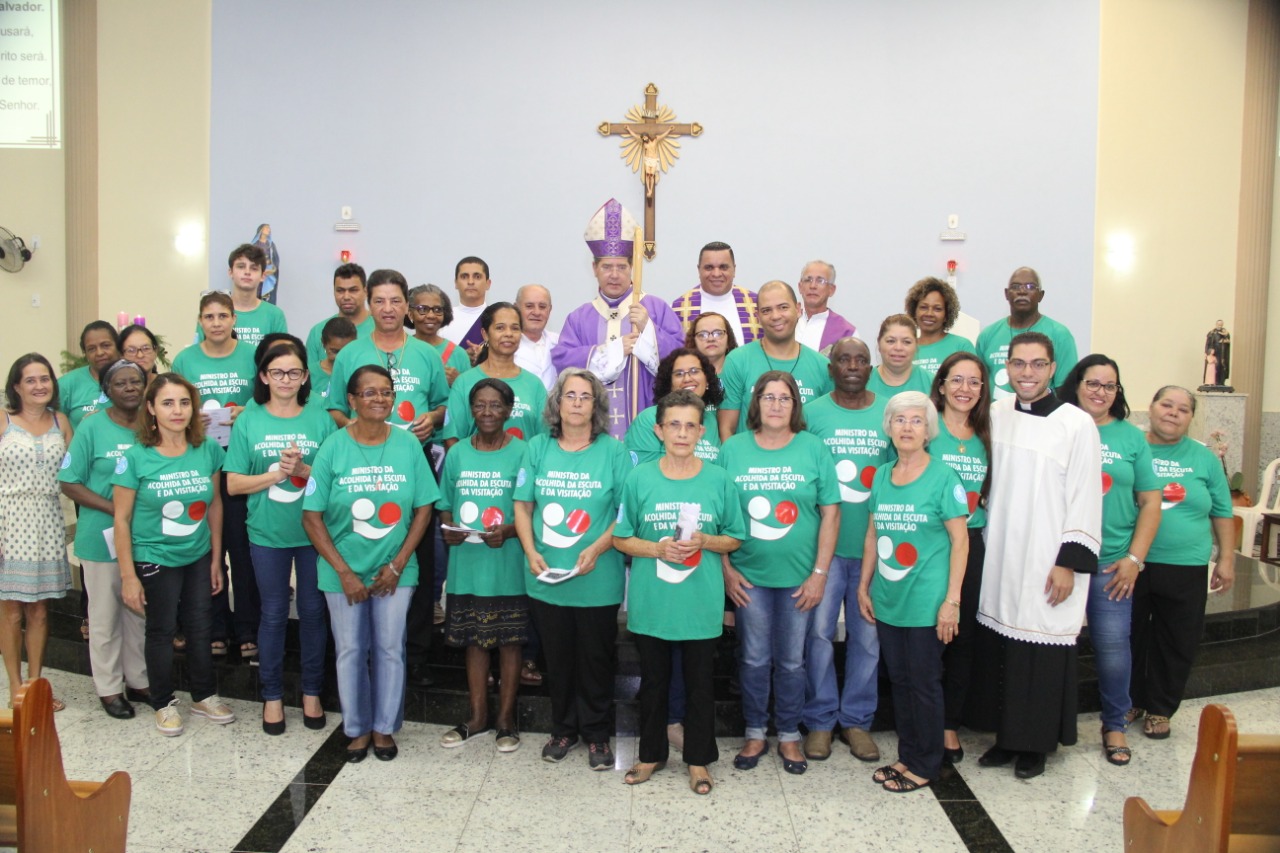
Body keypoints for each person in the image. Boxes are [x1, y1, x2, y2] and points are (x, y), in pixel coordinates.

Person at [972, 332, 1101, 780]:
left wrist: (1068, 561)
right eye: (1018, 363)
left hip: (1049, 556)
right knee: (1005, 646)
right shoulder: (997, 412)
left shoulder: (1076, 423)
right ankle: (1006, 739)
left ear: (1052, 369)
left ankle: (1036, 745)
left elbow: (1086, 497)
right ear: (1006, 367)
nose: (1027, 373)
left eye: (1037, 364)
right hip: (1005, 550)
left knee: (1041, 650)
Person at [614, 389, 746, 795]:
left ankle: (698, 760)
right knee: (653, 684)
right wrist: (655, 548)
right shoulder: (640, 478)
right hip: (653, 605)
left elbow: (736, 538)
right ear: (659, 430)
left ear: (701, 432)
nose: (682, 433)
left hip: (700, 606)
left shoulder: (719, 479)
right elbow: (621, 538)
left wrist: (706, 540)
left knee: (699, 686)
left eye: (690, 425)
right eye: (674, 424)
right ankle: (651, 754)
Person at [303, 365, 437, 762]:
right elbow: (311, 516)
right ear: (352, 400)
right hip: (340, 570)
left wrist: (397, 565)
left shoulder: (408, 445)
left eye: (387, 392)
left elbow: (424, 507)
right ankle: (357, 728)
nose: (380, 399)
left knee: (390, 648)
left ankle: (384, 728)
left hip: (396, 568)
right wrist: (345, 573)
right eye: (370, 393)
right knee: (349, 649)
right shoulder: (332, 447)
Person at [719, 371, 839, 775]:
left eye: (784, 398)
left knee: (791, 662)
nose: (775, 405)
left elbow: (831, 513)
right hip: (748, 577)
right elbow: (717, 515)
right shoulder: (733, 449)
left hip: (799, 580)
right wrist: (726, 571)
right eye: (768, 397)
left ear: (795, 405)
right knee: (753, 658)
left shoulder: (813, 448)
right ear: (756, 404)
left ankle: (788, 735)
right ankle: (755, 732)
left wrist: (820, 572)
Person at [514, 368, 633, 769]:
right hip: (547, 576)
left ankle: (598, 736)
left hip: (597, 577)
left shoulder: (614, 452)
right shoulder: (536, 448)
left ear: (596, 405)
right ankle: (563, 730)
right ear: (558, 403)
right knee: (557, 659)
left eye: (586, 396)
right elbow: (523, 504)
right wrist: (530, 551)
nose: (578, 403)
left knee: (597, 660)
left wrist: (599, 548)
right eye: (571, 395)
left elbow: (626, 512)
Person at [857, 391, 969, 793]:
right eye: (900, 420)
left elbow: (961, 543)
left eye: (916, 421)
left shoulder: (943, 477)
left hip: (927, 603)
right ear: (888, 427)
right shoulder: (884, 475)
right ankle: (908, 755)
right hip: (889, 600)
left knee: (924, 683)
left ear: (928, 430)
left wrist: (951, 601)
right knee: (901, 682)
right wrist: (863, 585)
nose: (907, 427)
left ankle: (926, 763)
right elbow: (872, 534)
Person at [113, 373, 234, 736]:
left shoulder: (208, 450)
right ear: (151, 408)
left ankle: (203, 694)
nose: (177, 410)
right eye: (167, 403)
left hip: (197, 554)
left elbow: (214, 508)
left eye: (184, 402)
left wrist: (215, 559)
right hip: (154, 556)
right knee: (162, 629)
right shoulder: (135, 458)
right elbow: (121, 519)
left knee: (200, 626)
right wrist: (128, 576)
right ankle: (163, 702)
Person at [225, 339, 334, 735]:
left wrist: (302, 467)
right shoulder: (249, 421)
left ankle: (311, 692)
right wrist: (277, 475)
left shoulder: (320, 418)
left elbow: (330, 482)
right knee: (271, 614)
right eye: (277, 372)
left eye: (293, 372)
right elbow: (234, 484)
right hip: (266, 534)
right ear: (263, 376)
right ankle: (271, 696)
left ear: (305, 376)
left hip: (312, 535)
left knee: (312, 612)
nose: (285, 379)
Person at [1058, 355, 1160, 764]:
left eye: (1110, 386)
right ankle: (1052, 723)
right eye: (1093, 383)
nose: (1100, 392)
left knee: (1113, 647)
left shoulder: (1130, 438)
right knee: (1054, 647)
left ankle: (1114, 723)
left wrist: (1135, 558)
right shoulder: (1058, 426)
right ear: (1077, 383)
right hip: (1061, 562)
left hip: (1112, 563)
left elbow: (1151, 502)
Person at [800, 337, 890, 763]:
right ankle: (819, 721)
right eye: (843, 359)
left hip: (876, 548)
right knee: (817, 634)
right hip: (826, 551)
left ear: (870, 368)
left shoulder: (888, 412)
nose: (852, 365)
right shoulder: (813, 414)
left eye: (861, 359)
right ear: (830, 367)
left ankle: (856, 721)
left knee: (867, 637)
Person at [1129, 386, 1234, 741]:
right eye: (1166, 404)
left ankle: (1160, 707)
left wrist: (1226, 559)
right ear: (1151, 408)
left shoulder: (1203, 458)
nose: (1173, 413)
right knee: (1128, 636)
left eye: (1183, 409)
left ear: (1191, 418)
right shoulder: (1131, 446)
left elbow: (1222, 510)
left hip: (1185, 565)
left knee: (1177, 639)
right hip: (1132, 562)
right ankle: (1130, 699)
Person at [437, 379, 528, 753]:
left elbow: (529, 508)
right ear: (470, 410)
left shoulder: (524, 452)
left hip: (507, 563)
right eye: (479, 405)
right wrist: (448, 530)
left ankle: (506, 720)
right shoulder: (457, 454)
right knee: (473, 641)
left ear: (509, 411)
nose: (487, 413)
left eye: (495, 406)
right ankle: (477, 717)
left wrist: (508, 531)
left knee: (509, 642)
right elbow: (444, 501)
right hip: (468, 564)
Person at [59, 359, 151, 718]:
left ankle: (138, 680)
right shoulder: (92, 426)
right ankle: (109, 688)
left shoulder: (152, 425)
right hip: (101, 537)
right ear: (106, 390)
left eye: (135, 382)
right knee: (104, 616)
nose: (129, 388)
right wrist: (117, 509)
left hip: (145, 536)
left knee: (138, 612)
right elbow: (69, 481)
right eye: (120, 383)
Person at [174, 291, 261, 661]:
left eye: (223, 315)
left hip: (239, 466)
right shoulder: (185, 359)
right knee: (211, 550)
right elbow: (172, 403)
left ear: (233, 320)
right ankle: (216, 627)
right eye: (209, 317)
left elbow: (266, 397)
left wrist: (247, 410)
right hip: (199, 465)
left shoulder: (251, 356)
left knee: (242, 551)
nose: (216, 323)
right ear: (200, 321)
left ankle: (246, 628)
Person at [552, 198, 685, 438]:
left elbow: (681, 360)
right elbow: (563, 361)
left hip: (647, 424)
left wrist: (649, 331)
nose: (614, 275)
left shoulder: (655, 309)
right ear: (594, 268)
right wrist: (613, 351)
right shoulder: (579, 318)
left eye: (621, 267)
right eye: (606, 267)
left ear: (632, 267)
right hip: (591, 432)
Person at [928, 352, 993, 764]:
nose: (964, 389)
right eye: (957, 380)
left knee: (963, 636)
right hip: (926, 540)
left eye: (974, 382)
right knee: (925, 636)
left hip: (969, 541)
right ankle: (924, 716)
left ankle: (949, 722)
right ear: (941, 385)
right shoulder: (925, 428)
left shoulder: (989, 435)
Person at [0, 353, 72, 711]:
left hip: (47, 520)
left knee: (40, 612)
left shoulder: (61, 421)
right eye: (31, 380)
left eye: (45, 379)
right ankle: (15, 686)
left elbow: (76, 472)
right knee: (11, 612)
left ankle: (36, 684)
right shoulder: (3, 421)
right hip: (8, 520)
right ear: (16, 386)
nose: (39, 386)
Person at [718, 281, 833, 440]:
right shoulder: (737, 361)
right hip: (750, 463)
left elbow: (827, 428)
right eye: (766, 310)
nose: (776, 316)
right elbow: (726, 428)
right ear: (758, 317)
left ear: (798, 309)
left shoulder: (822, 366)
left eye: (783, 307)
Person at [442, 302, 548, 445]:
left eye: (515, 328)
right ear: (485, 334)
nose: (508, 334)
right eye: (500, 328)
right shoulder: (464, 382)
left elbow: (545, 440)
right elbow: (452, 439)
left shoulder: (534, 385)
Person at [975, 267, 1078, 399]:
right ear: (1006, 294)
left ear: (1041, 295)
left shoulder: (1060, 335)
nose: (1022, 291)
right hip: (995, 417)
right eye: (1016, 286)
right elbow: (979, 385)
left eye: (1030, 287)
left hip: (1042, 417)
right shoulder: (988, 335)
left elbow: (1066, 391)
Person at [625, 348, 723, 465]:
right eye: (679, 374)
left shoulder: (710, 420)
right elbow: (644, 475)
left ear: (707, 380)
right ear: (669, 383)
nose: (687, 378)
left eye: (694, 371)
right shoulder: (650, 418)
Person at [197, 244, 289, 348]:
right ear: (230, 272)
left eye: (254, 268)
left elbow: (282, 358)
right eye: (241, 267)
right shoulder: (212, 313)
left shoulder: (275, 315)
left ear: (263, 276)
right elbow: (200, 355)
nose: (247, 272)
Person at [670, 242, 761, 346]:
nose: (716, 274)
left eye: (723, 267)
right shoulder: (677, 310)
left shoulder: (757, 305)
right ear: (699, 270)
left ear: (734, 269)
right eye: (709, 267)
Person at [304, 263, 374, 368]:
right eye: (340, 290)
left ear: (366, 291)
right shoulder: (318, 331)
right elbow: (311, 376)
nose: (346, 296)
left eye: (353, 290)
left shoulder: (380, 328)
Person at [905, 277, 976, 374]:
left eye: (937, 309)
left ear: (947, 315)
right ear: (914, 311)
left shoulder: (961, 346)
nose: (929, 314)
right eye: (923, 307)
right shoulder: (905, 349)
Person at [61, 320, 121, 428]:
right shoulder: (67, 384)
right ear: (85, 353)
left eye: (106, 345)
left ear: (117, 346)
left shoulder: (132, 380)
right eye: (91, 349)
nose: (99, 353)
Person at [408, 284, 471, 386]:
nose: (431, 315)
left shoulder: (459, 355)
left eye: (437, 310)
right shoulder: (402, 350)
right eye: (423, 309)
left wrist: (459, 381)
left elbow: (471, 396)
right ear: (410, 314)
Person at [795, 260, 857, 352]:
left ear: (831, 290)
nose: (813, 286)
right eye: (808, 280)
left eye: (820, 281)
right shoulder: (785, 323)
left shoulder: (847, 333)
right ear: (800, 287)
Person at [867, 314, 934, 397]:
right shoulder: (863, 383)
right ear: (879, 343)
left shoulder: (932, 383)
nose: (898, 348)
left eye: (906, 342)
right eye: (891, 341)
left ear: (916, 345)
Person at [441, 256, 492, 361]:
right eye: (464, 277)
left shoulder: (496, 318)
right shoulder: (442, 319)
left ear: (488, 283)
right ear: (456, 283)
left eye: (477, 277)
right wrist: (462, 358)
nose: (470, 282)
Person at [513, 284, 560, 391]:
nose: (537, 312)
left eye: (542, 307)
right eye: (529, 306)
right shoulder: (505, 345)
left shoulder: (560, 343)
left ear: (549, 310)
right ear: (516, 308)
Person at [312, 316, 357, 401]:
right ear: (323, 343)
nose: (340, 358)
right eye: (335, 351)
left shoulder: (361, 375)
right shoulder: (309, 375)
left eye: (346, 352)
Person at [686, 311, 737, 376]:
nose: (711, 339)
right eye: (702, 334)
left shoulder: (742, 373)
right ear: (693, 341)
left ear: (728, 340)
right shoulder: (686, 377)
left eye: (718, 333)